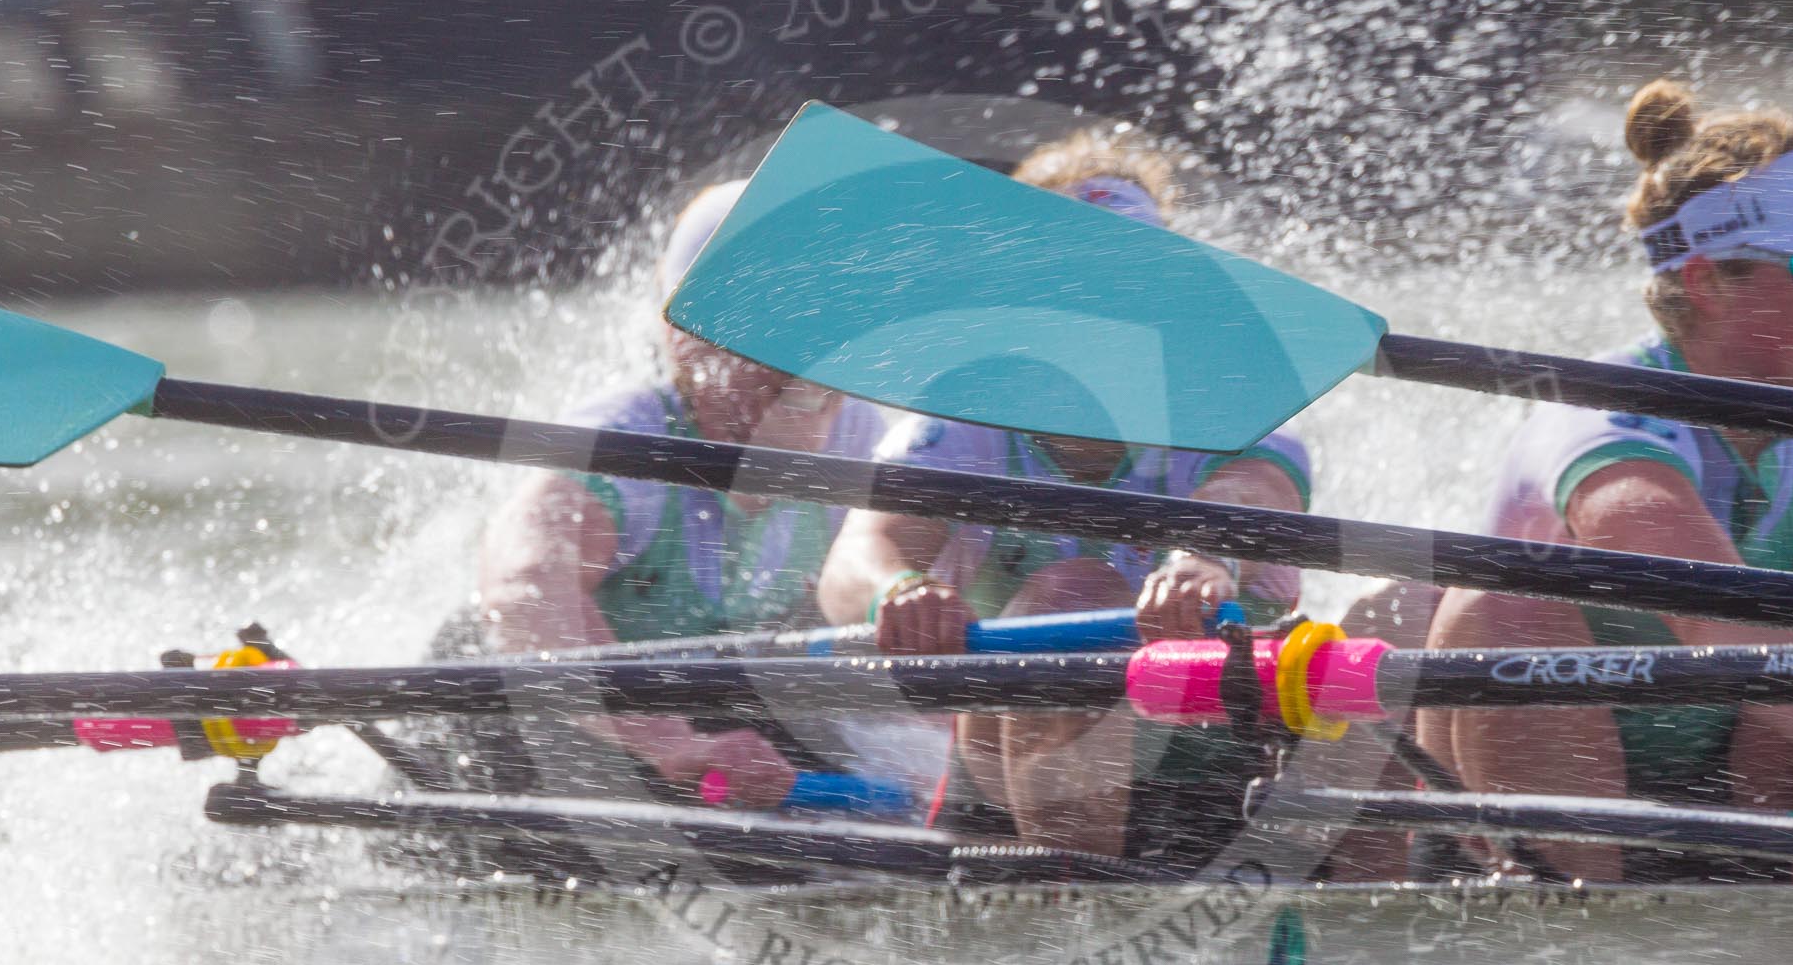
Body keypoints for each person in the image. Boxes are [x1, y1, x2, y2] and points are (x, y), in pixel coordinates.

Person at [1417, 78, 1793, 882]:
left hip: (1739, 780)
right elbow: (1719, 625)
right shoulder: (1606, 419)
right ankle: (1571, 916)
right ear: (1706, 281)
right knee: (1510, 605)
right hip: (1536, 783)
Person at [816, 130, 1314, 862]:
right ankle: (1069, 903)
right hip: (1013, 771)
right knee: (1074, 596)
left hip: (1224, 753)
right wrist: (901, 589)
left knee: (1391, 622)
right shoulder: (964, 421)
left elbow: (1254, 490)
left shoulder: (1234, 405)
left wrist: (1203, 556)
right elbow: (858, 554)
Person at [467, 179, 888, 809]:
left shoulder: (859, 430)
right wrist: (670, 744)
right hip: (528, 707)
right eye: (765, 326)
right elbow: (525, 592)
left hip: (704, 703)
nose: (804, 355)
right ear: (686, 344)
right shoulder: (623, 444)